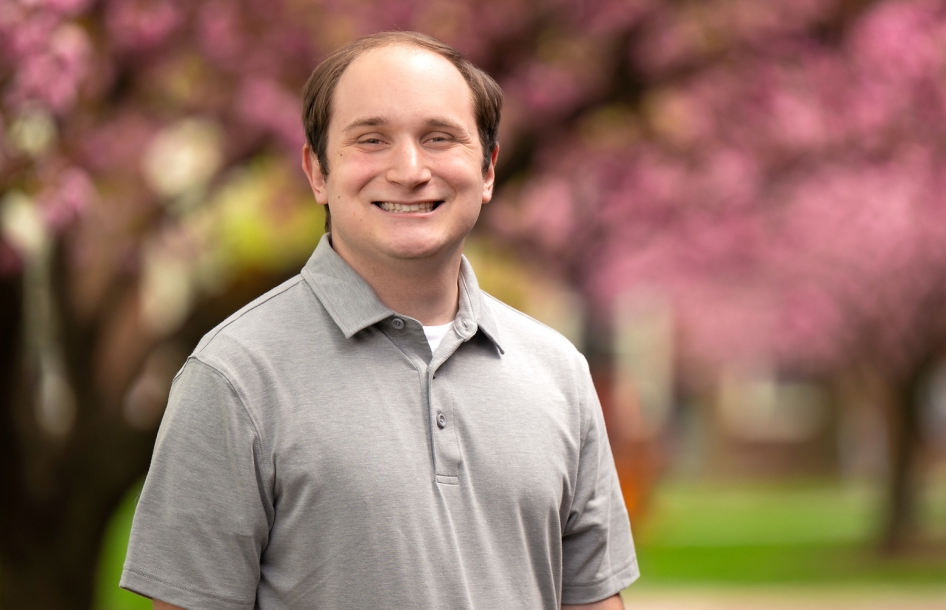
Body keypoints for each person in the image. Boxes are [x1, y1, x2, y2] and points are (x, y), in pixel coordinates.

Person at [120, 31, 638, 610]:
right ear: (317, 172)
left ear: (489, 169)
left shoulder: (560, 373)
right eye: (371, 140)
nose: (409, 170)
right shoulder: (234, 377)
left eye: (440, 138)